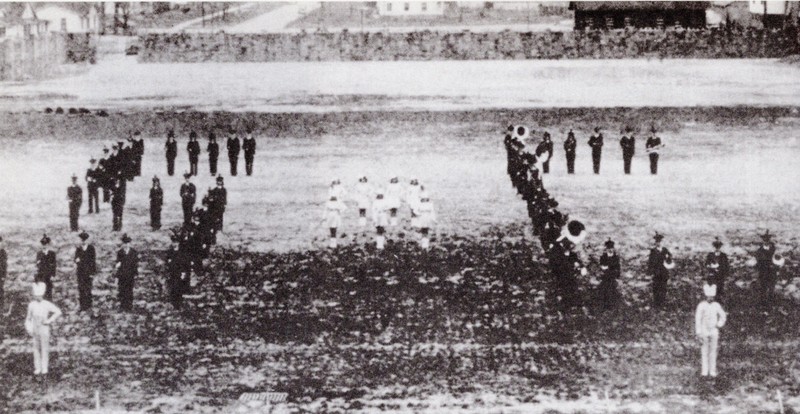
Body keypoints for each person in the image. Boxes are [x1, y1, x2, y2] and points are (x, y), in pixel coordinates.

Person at [25, 282, 62, 377]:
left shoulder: (46, 304)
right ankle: (37, 367)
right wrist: (29, 328)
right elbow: (28, 318)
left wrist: (49, 321)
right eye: (36, 296)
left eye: (40, 295)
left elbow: (58, 312)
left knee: (44, 348)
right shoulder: (31, 304)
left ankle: (44, 367)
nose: (38, 297)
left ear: (43, 295)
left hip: (44, 327)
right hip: (35, 328)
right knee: (36, 348)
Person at [695, 283, 726, 379]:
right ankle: (704, 371)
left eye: (712, 297)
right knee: (704, 350)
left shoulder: (716, 305)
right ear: (706, 296)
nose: (710, 298)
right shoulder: (701, 305)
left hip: (713, 330)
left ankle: (712, 371)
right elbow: (698, 319)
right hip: (704, 330)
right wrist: (698, 332)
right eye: (709, 297)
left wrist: (719, 324)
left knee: (713, 350)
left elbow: (723, 316)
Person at [751, 230, 783, 309]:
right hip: (763, 272)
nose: (766, 241)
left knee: (771, 287)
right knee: (763, 288)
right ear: (763, 240)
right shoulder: (759, 251)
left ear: (769, 240)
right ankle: (762, 303)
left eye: (767, 240)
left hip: (772, 272)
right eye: (765, 240)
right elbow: (758, 262)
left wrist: (776, 267)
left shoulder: (774, 249)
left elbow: (779, 259)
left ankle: (770, 303)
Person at [647, 232, 675, 308]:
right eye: (657, 242)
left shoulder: (665, 250)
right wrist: (650, 271)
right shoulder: (653, 251)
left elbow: (670, 258)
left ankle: (662, 303)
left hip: (664, 272)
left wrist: (668, 259)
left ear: (662, 242)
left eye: (659, 242)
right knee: (656, 287)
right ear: (655, 243)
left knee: (663, 287)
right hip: (656, 273)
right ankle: (656, 303)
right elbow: (650, 262)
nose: (658, 243)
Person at [114, 234, 138, 312]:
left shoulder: (133, 252)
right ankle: (123, 305)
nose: (126, 245)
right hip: (122, 274)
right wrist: (117, 274)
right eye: (124, 243)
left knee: (129, 290)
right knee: (122, 290)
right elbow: (117, 264)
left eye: (127, 243)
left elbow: (135, 264)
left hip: (130, 274)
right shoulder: (120, 252)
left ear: (130, 243)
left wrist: (135, 274)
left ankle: (129, 306)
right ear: (122, 244)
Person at [74, 231, 96, 312]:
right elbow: (75, 259)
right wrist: (77, 260)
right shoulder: (78, 249)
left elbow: (93, 261)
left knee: (88, 288)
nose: (83, 241)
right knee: (81, 288)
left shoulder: (91, 248)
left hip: (88, 272)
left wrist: (92, 273)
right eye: (82, 240)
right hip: (80, 272)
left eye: (85, 240)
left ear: (87, 240)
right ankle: (82, 306)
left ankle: (89, 305)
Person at [165, 233, 189, 310]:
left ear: (178, 243)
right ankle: (173, 303)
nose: (174, 244)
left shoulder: (182, 252)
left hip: (179, 273)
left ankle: (178, 304)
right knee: (172, 288)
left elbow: (185, 263)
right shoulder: (170, 252)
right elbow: (167, 262)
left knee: (179, 288)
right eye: (173, 242)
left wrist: (184, 273)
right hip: (172, 273)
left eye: (176, 242)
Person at [598, 238, 621, 310]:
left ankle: (611, 305)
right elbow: (601, 265)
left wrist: (617, 275)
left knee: (612, 291)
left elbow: (618, 267)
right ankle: (604, 305)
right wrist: (602, 268)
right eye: (609, 249)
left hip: (612, 276)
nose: (610, 250)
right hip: (605, 276)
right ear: (606, 249)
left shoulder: (616, 257)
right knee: (604, 291)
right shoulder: (603, 257)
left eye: (611, 249)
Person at [35, 235, 56, 301]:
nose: (44, 246)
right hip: (41, 276)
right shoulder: (39, 253)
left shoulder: (52, 253)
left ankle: (49, 307)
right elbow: (37, 265)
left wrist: (53, 275)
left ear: (48, 244)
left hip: (49, 276)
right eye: (43, 244)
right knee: (42, 292)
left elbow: (54, 265)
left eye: (45, 244)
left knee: (49, 291)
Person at [0, 237, 6, 310]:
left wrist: (3, 276)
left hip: (0, 276)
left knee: (0, 290)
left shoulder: (3, 252)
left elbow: (4, 265)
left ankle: (1, 308)